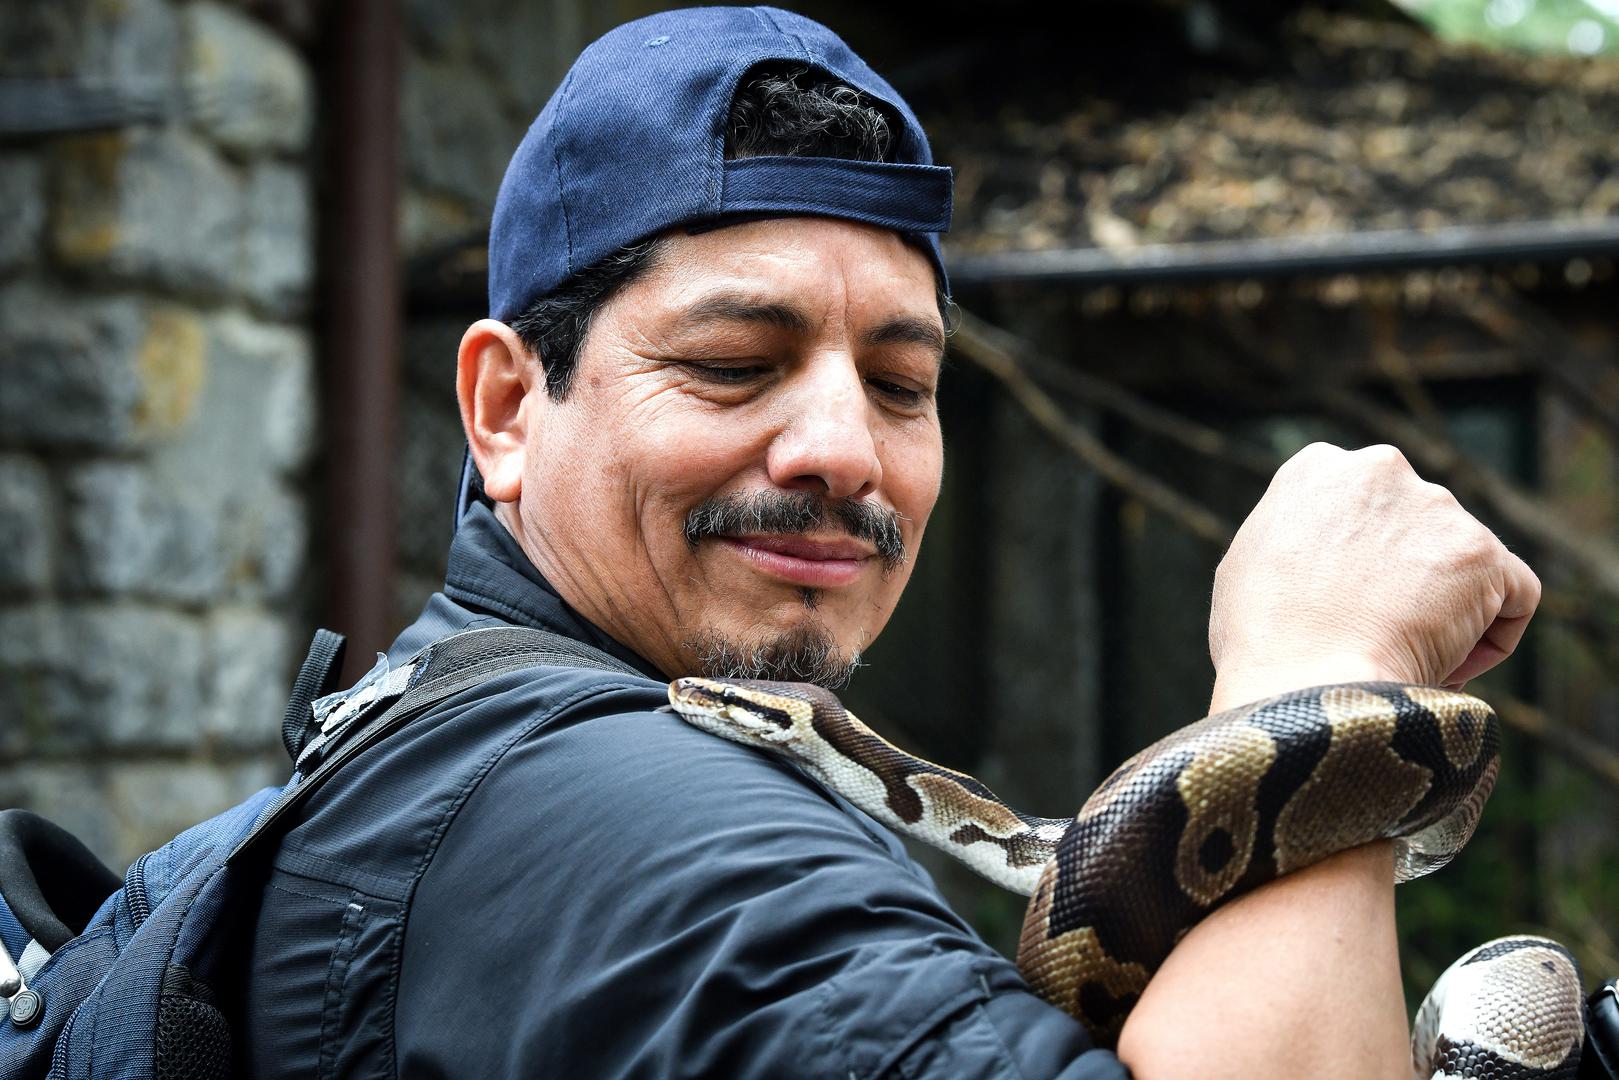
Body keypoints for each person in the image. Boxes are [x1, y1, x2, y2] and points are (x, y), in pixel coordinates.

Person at [242, 7, 1540, 1077]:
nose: (845, 451)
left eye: (905, 385)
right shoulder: (648, 850)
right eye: (734, 363)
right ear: (507, 410)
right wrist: (1322, 678)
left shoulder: (423, 736)